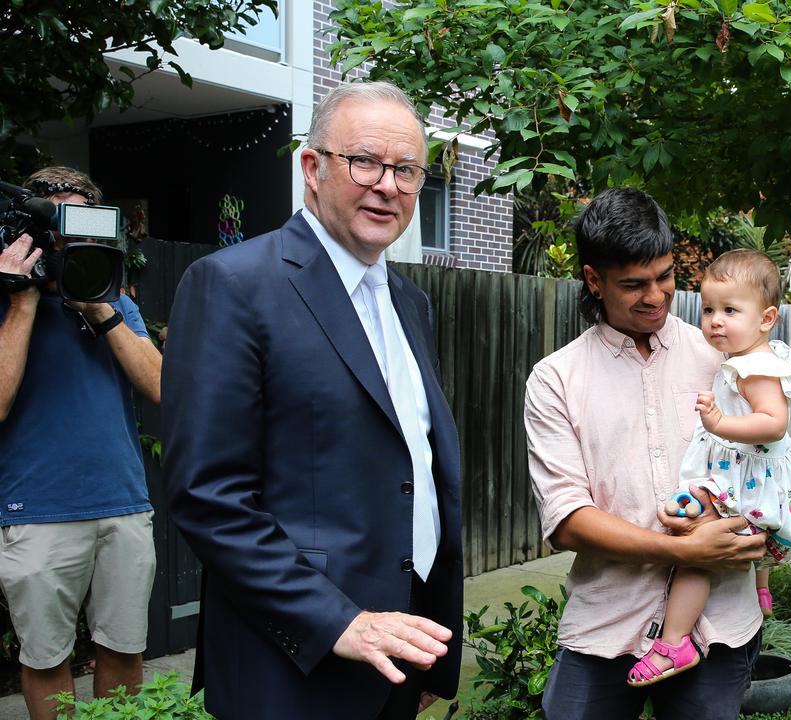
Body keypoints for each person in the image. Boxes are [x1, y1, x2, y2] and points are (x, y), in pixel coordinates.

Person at [161, 80, 463, 719]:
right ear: (312, 167)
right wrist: (338, 623)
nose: (388, 185)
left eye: (406, 170)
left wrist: (432, 632)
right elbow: (207, 496)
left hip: (400, 650)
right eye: (365, 162)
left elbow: (413, 472)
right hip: (292, 662)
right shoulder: (233, 285)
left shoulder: (409, 302)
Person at [524, 187, 767, 719]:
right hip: (606, 622)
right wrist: (682, 552)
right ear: (594, 280)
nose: (656, 296)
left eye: (665, 277)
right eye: (634, 285)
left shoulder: (723, 355)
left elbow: (771, 453)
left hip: (719, 621)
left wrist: (767, 524)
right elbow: (567, 519)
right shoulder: (557, 379)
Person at [0, 167, 162, 720]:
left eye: (85, 231)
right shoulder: (6, 302)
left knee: (124, 648)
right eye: (60, 230)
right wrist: (22, 303)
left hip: (122, 504)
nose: (73, 245)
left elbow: (162, 386)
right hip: (37, 510)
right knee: (46, 658)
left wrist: (98, 305)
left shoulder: (113, 299)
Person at [627, 248, 791, 687]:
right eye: (708, 308)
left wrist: (719, 423)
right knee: (716, 529)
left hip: (749, 477)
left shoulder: (755, 367)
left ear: (766, 318)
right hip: (750, 475)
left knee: (696, 553)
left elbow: (773, 423)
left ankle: (674, 642)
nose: (714, 320)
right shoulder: (748, 357)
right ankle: (761, 586)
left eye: (730, 310)